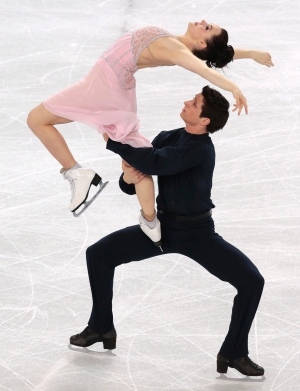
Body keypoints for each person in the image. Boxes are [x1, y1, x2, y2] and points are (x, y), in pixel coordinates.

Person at [69, 85, 265, 377]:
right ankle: (101, 326)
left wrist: (114, 142)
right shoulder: (169, 136)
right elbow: (133, 180)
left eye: (195, 102)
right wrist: (128, 174)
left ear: (205, 120)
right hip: (160, 229)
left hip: (198, 233)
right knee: (98, 255)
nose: (187, 101)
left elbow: (158, 162)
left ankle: (234, 352)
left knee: (252, 282)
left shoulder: (200, 149)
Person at [27, 21, 273, 244]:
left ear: (201, 42)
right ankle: (150, 221)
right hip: (111, 85)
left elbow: (204, 69)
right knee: (132, 155)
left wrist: (233, 87)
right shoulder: (179, 43)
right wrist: (250, 54)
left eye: (208, 29)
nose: (204, 23)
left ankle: (80, 176)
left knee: (37, 119)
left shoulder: (175, 50)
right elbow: (216, 54)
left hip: (106, 86)